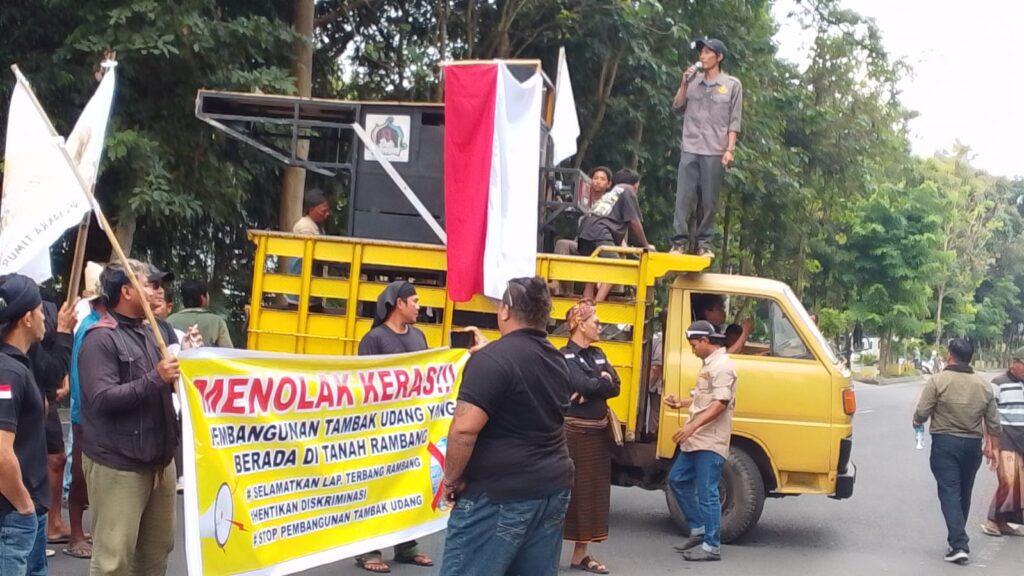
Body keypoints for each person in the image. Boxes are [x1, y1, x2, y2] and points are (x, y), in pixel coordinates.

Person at [440, 277, 573, 576]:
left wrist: (451, 480)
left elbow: (463, 430)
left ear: (504, 311)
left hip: (498, 493)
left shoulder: (492, 361)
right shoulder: (557, 358)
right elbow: (521, 372)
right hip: (551, 486)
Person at [78, 260, 181, 575]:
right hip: (119, 465)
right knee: (114, 561)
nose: (156, 290)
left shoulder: (152, 333)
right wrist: (156, 378)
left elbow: (166, 387)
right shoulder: (99, 338)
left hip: (158, 463)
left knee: (155, 555)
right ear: (126, 291)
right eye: (148, 284)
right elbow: (101, 399)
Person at [353, 280, 433, 572]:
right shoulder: (373, 340)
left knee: (408, 485)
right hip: (380, 429)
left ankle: (407, 546)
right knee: (376, 488)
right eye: (414, 301)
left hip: (411, 429)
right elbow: (364, 384)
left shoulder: (420, 336)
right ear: (398, 304)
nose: (419, 306)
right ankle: (368, 550)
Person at [912, 338, 1000, 565]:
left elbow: (922, 411)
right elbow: (993, 423)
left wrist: (917, 421)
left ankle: (959, 544)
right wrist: (994, 448)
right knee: (964, 490)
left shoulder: (938, 380)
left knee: (949, 491)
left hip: (946, 443)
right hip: (972, 446)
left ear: (949, 356)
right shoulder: (983, 385)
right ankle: (956, 540)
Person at [665, 320, 737, 562]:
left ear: (706, 341)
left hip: (710, 440)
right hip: (697, 439)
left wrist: (692, 426)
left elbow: (720, 403)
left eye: (695, 344)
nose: (693, 349)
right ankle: (698, 529)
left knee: (708, 492)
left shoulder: (723, 366)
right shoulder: (710, 364)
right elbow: (706, 398)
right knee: (677, 479)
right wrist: (682, 403)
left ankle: (712, 546)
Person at [561, 299, 620, 574]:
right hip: (574, 434)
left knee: (593, 493)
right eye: (596, 322)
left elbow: (616, 385)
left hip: (598, 433)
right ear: (580, 325)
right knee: (568, 493)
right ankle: (544, 550)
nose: (600, 326)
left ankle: (580, 554)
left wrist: (595, 388)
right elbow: (581, 383)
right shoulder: (565, 355)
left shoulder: (597, 353)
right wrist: (600, 382)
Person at [670, 38, 743, 257]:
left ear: (719, 57)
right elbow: (676, 107)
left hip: (715, 148)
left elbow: (734, 121)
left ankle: (704, 244)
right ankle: (678, 243)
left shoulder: (732, 85)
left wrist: (729, 149)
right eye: (701, 52)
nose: (702, 56)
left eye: (708, 52)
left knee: (709, 200)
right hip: (690, 145)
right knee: (683, 196)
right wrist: (683, 82)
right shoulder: (692, 81)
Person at [0, 275, 51, 575]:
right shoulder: (8, 372)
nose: (45, 315)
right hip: (13, 516)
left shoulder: (16, 365)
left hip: (23, 513)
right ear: (26, 318)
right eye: (40, 308)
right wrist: (24, 507)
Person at [26, 294, 76, 550]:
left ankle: (50, 523)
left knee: (55, 456)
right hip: (27, 399)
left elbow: (50, 366)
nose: (42, 317)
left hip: (41, 395)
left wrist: (61, 375)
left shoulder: (40, 302)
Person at [64, 263, 106, 560]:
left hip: (100, 416)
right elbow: (80, 381)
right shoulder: (90, 328)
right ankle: (75, 533)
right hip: (87, 416)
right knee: (81, 477)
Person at [576, 168, 655, 302]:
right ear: (635, 184)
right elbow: (634, 221)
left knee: (591, 273)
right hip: (600, 231)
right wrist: (646, 245)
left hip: (585, 230)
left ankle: (585, 308)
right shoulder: (628, 190)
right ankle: (597, 306)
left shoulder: (612, 193)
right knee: (617, 267)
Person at [981, 348, 1024, 537]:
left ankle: (1004, 520)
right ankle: (992, 520)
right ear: (1014, 363)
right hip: (1004, 436)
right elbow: (988, 414)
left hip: (1021, 439)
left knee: (1019, 483)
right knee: (1007, 479)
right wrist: (989, 442)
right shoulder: (998, 383)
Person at [167, 279, 233, 348]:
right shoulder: (217, 321)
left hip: (179, 358)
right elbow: (227, 351)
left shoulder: (170, 320)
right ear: (203, 298)